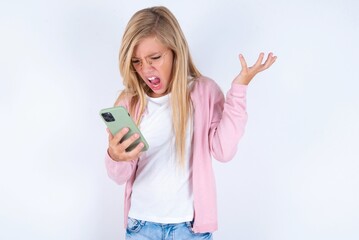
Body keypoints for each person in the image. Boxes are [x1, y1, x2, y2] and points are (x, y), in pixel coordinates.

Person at [104, 6, 276, 240]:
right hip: (141, 226)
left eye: (155, 58)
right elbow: (119, 176)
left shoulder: (204, 92)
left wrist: (239, 90)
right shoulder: (129, 104)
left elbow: (223, 151)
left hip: (190, 229)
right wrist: (115, 156)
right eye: (137, 61)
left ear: (175, 50)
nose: (146, 69)